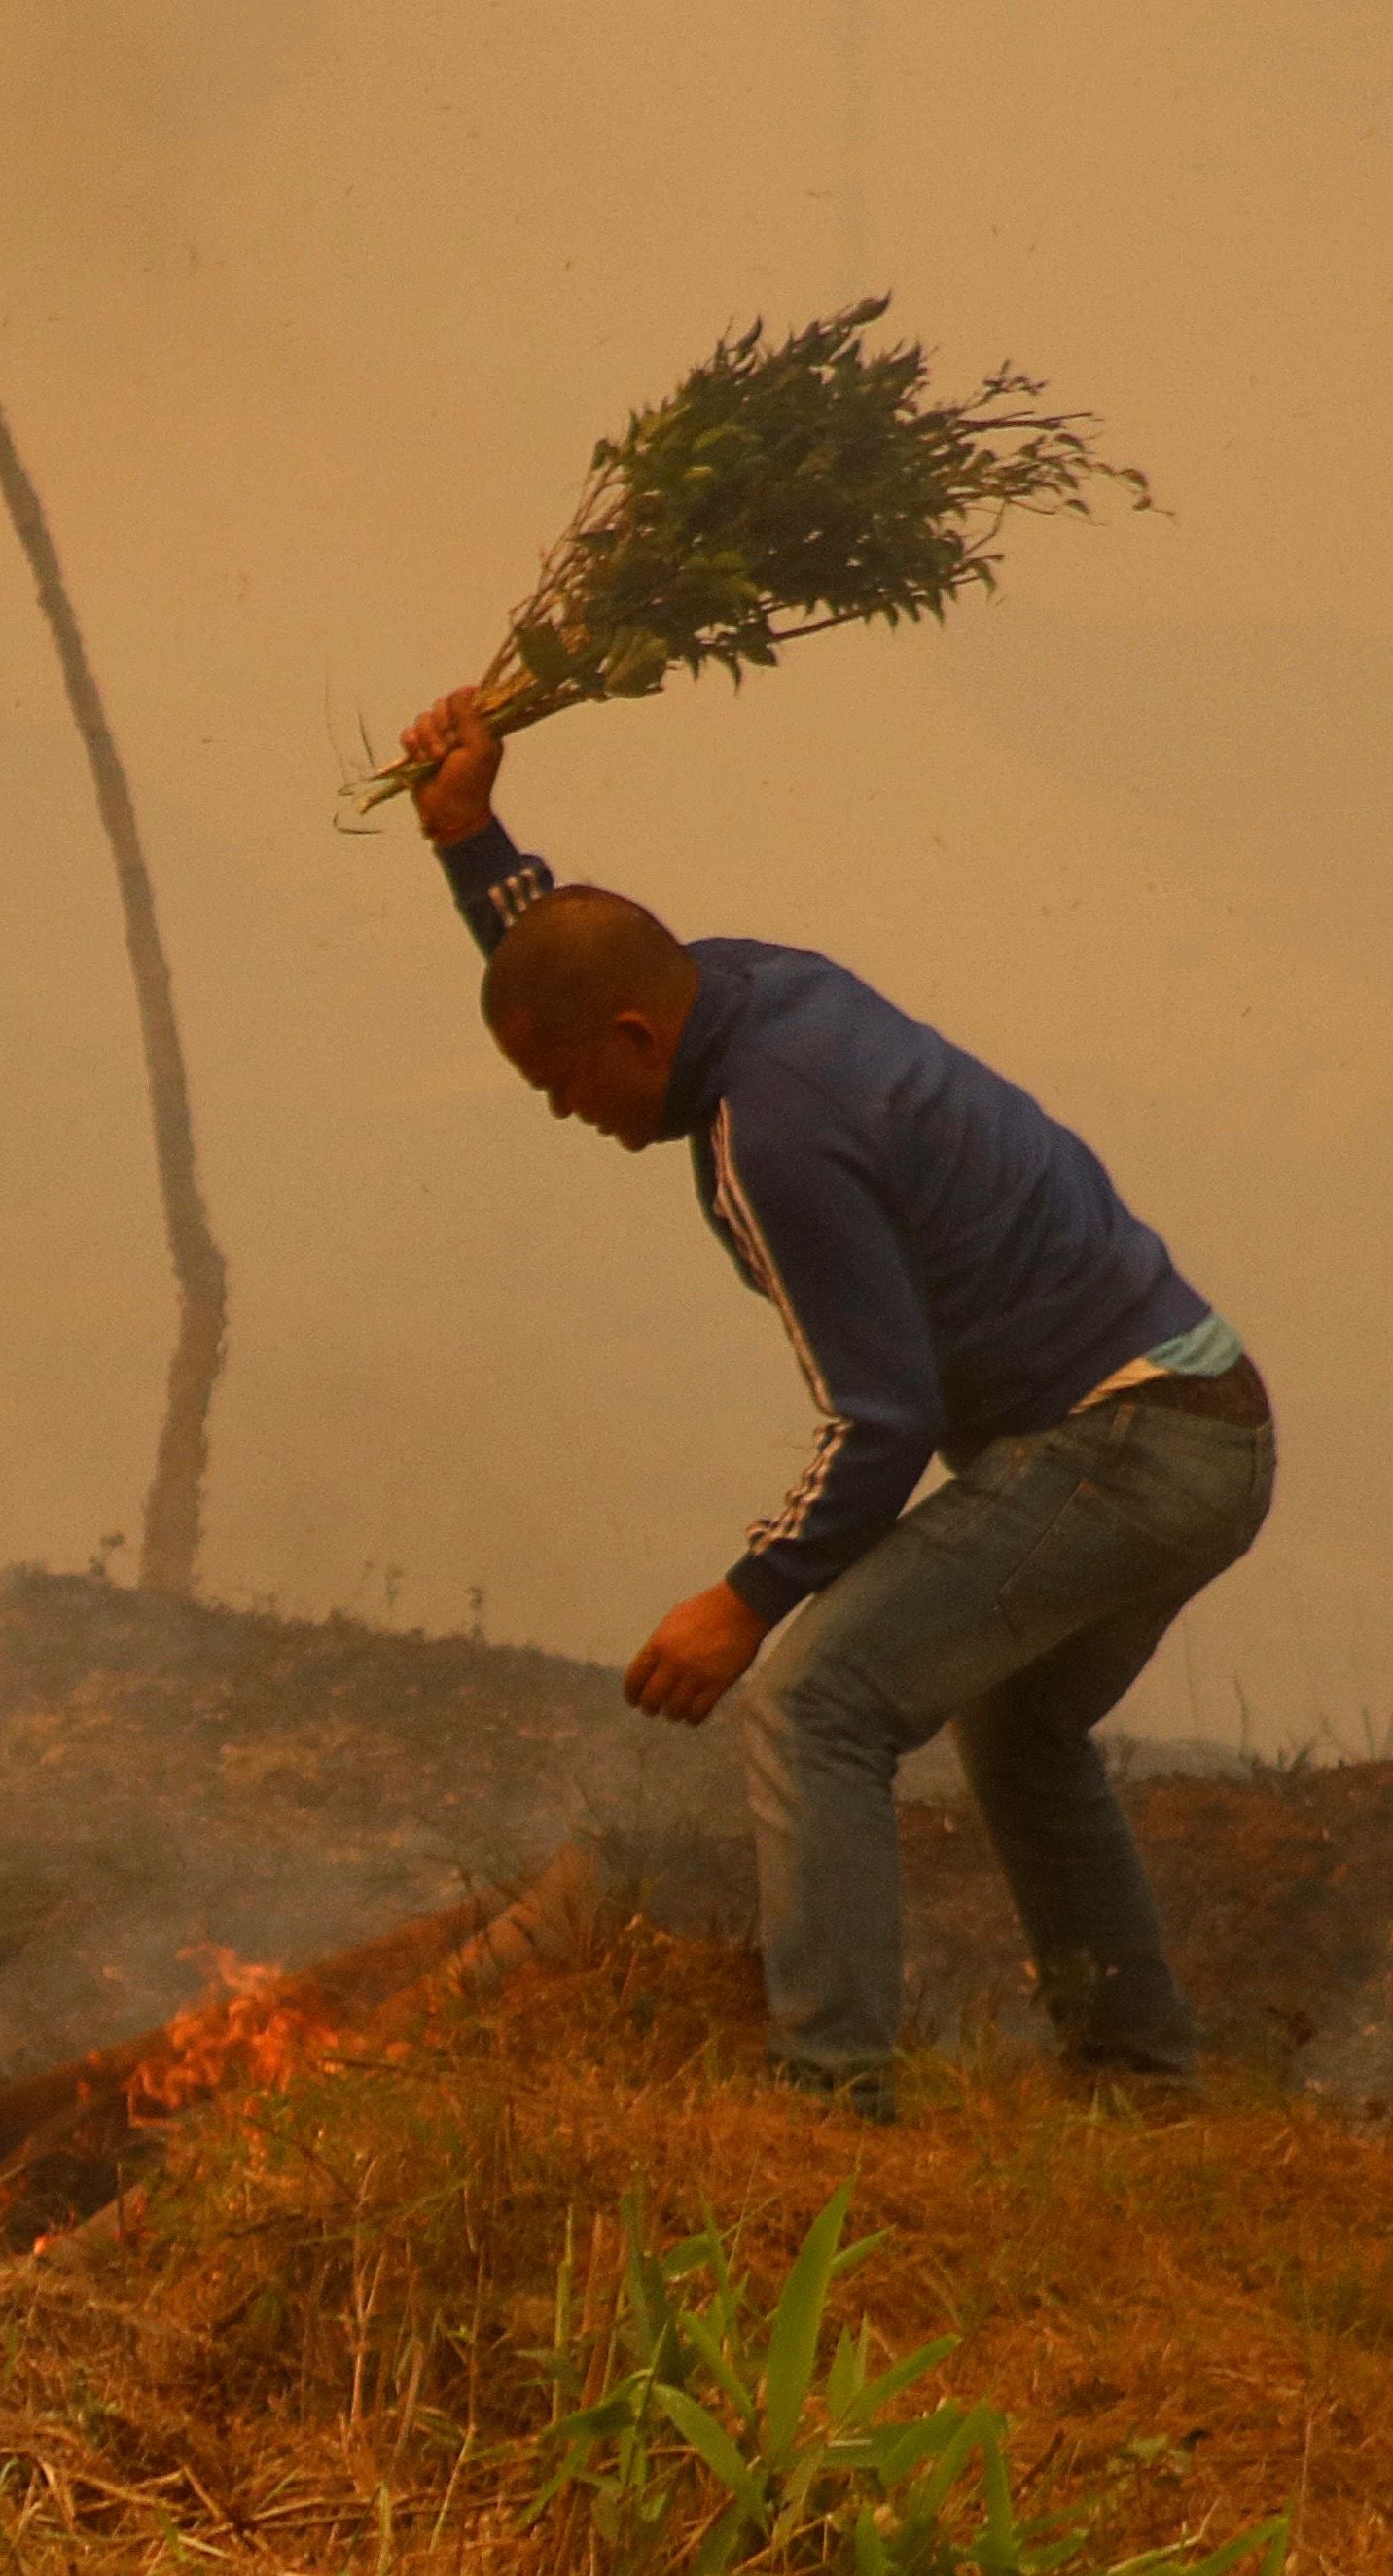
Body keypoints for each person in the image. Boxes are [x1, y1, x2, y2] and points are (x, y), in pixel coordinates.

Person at [396, 691, 1274, 2116]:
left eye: (560, 1086)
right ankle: (1143, 2090)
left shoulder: (777, 1139)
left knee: (817, 1704)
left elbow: (885, 1421)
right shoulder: (740, 989)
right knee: (1021, 1733)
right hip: (1206, 1419)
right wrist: (469, 839)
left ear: (631, 1039)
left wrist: (744, 1599)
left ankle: (828, 2102)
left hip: (1124, 1444)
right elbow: (572, 957)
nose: (564, 1113)